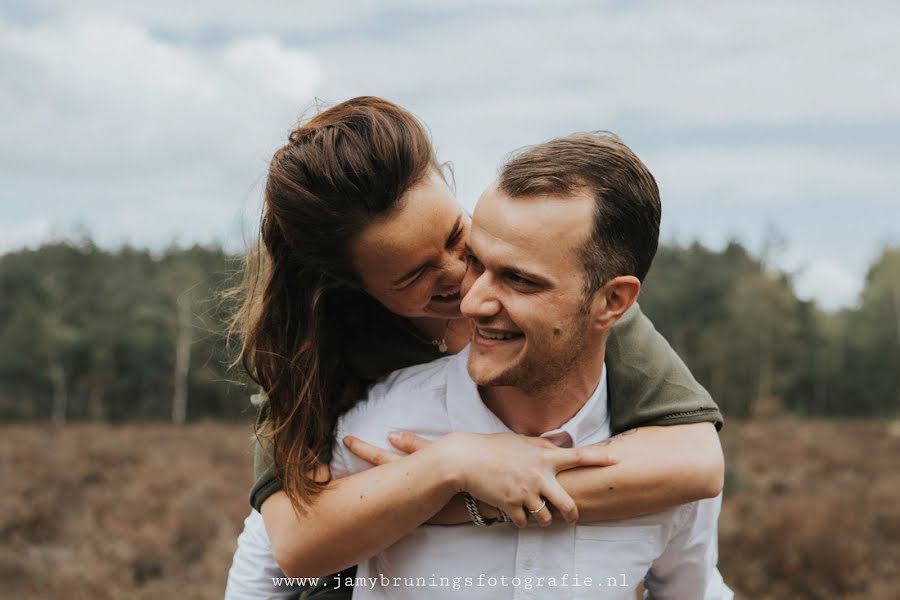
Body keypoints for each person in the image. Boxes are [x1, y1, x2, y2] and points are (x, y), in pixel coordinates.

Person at [225, 97, 724, 598]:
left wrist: (472, 499)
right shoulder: (315, 364)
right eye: (413, 276)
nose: (464, 283)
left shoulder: (588, 312)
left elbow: (696, 466)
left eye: (457, 237)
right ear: (353, 285)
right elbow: (287, 546)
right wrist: (453, 464)